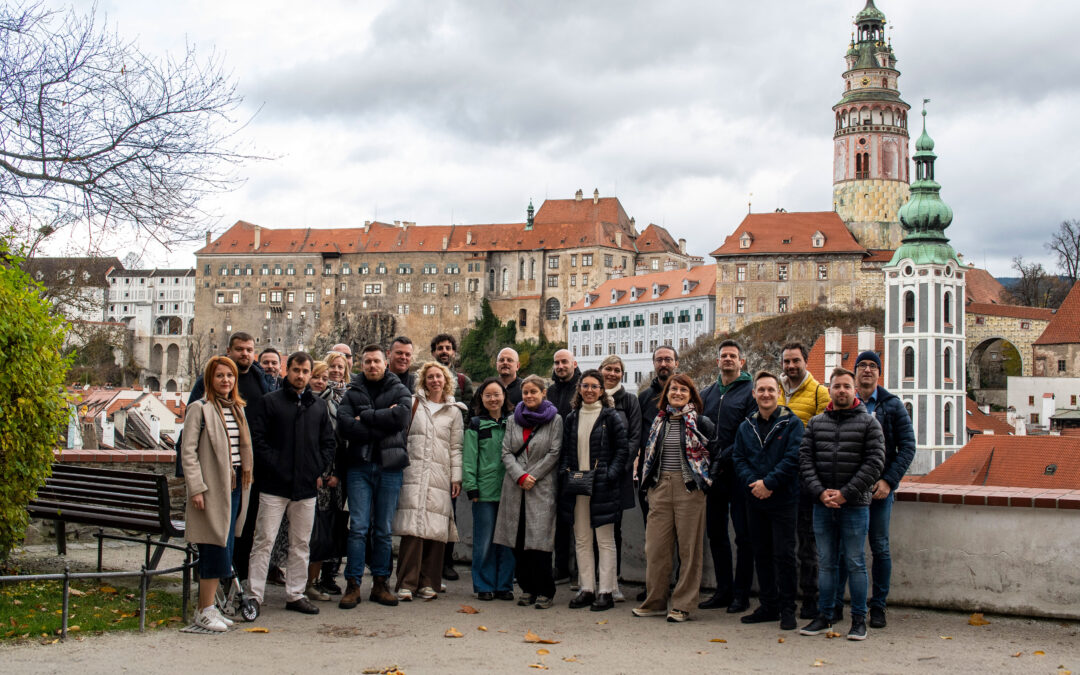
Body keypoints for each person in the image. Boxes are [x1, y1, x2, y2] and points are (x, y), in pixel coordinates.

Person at [798, 367, 885, 641]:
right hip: (822, 504)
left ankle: (859, 620)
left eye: (847, 386)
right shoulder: (816, 423)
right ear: (830, 389)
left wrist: (846, 492)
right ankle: (825, 615)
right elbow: (805, 461)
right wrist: (820, 492)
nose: (842, 391)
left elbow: (875, 463)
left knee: (856, 562)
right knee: (825, 563)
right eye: (837, 387)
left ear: (854, 390)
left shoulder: (869, 423)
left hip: (855, 504)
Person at [247, 352, 337, 616]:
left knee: (301, 543)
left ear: (310, 374)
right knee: (264, 540)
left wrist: (315, 468)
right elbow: (259, 440)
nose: (300, 375)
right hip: (275, 485)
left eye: (305, 371)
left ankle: (295, 593)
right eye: (296, 370)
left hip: (306, 486)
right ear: (288, 371)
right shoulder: (270, 402)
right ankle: (254, 594)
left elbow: (328, 443)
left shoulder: (317, 407)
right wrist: (277, 465)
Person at [832, 350, 916, 629]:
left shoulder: (892, 406)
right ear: (855, 373)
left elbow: (907, 447)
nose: (867, 370)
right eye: (862, 366)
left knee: (879, 547)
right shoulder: (844, 403)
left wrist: (889, 481)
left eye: (872, 366)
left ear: (879, 373)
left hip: (879, 490)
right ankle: (835, 605)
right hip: (849, 490)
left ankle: (878, 605)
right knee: (845, 550)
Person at [186, 332, 276, 583]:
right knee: (217, 533)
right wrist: (193, 482)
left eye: (249, 349)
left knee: (243, 529)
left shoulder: (259, 380)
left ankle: (238, 580)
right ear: (229, 350)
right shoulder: (206, 391)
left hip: (248, 470)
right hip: (216, 473)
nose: (244, 354)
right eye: (239, 349)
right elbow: (191, 437)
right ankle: (214, 586)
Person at [632, 373, 714, 623]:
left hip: (689, 487)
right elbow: (649, 453)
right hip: (661, 486)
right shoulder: (659, 421)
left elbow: (715, 453)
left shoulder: (701, 422)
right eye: (673, 389)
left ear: (692, 395)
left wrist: (705, 482)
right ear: (666, 393)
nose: (677, 393)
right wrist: (650, 486)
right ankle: (656, 600)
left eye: (683, 390)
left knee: (689, 550)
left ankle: (683, 604)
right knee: (656, 547)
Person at [336, 344, 413, 609]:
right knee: (357, 528)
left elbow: (401, 418)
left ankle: (381, 583)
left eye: (376, 362)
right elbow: (344, 425)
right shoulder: (353, 390)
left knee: (383, 530)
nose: (372, 366)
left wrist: (366, 417)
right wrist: (381, 424)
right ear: (361, 364)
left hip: (389, 466)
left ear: (385, 363)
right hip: (359, 465)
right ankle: (353, 584)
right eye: (367, 362)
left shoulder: (399, 389)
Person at [181, 355, 253, 632]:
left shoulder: (237, 409)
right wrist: (196, 488)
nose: (226, 380)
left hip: (235, 485)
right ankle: (205, 610)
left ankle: (208, 607)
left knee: (226, 547)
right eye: (220, 375)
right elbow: (188, 452)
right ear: (210, 379)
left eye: (230, 376)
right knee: (214, 548)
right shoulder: (200, 409)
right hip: (211, 487)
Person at [732, 370, 804, 631]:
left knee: (784, 554)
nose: (765, 394)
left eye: (770, 390)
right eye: (761, 390)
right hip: (755, 498)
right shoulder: (746, 425)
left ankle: (787, 608)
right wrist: (755, 484)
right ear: (754, 394)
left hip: (783, 498)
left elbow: (793, 458)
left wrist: (769, 483)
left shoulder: (792, 423)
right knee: (760, 552)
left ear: (778, 393)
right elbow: (738, 459)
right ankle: (768, 605)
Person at [393, 362, 466, 601]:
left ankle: (429, 582)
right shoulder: (413, 403)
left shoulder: (454, 411)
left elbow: (456, 447)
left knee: (436, 530)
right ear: (424, 380)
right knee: (412, 527)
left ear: (446, 380)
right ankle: (406, 582)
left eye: (439, 376)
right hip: (413, 471)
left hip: (440, 474)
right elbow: (403, 436)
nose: (435, 380)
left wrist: (456, 477)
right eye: (431, 377)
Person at [558, 369, 628, 612]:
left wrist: (610, 475)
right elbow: (566, 450)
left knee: (605, 540)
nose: (589, 390)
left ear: (601, 391)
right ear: (579, 389)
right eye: (585, 386)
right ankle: (586, 588)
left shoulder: (611, 417)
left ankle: (606, 591)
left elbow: (622, 450)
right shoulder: (572, 417)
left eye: (594, 386)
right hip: (577, 485)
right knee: (582, 538)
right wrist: (565, 472)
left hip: (602, 486)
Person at [493, 375, 563, 609]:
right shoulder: (513, 420)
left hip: (540, 487)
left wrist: (532, 475)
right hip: (515, 486)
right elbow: (506, 452)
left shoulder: (555, 420)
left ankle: (545, 590)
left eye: (534, 391)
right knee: (518, 539)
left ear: (544, 393)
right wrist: (520, 475)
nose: (529, 396)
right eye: (526, 392)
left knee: (540, 541)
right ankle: (527, 587)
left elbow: (554, 453)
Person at [699, 339, 756, 613]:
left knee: (744, 535)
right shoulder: (708, 393)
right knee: (716, 533)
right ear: (718, 361)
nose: (728, 359)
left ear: (741, 362)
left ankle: (742, 593)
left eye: (733, 356)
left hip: (739, 473)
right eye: (724, 356)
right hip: (714, 474)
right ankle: (723, 589)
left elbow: (750, 432)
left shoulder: (750, 393)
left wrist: (726, 456)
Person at [778, 341, 831, 619]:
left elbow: (822, 436)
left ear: (805, 362)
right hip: (780, 478)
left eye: (795, 361)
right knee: (783, 543)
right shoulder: (776, 392)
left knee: (808, 543)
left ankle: (811, 598)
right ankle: (781, 598)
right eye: (786, 362)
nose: (791, 366)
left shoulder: (820, 393)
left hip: (806, 477)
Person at [633, 345, 678, 602]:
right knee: (653, 535)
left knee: (682, 537)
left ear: (676, 363)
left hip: (679, 475)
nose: (664, 364)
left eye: (668, 359)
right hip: (650, 476)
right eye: (659, 359)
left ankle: (679, 585)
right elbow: (639, 435)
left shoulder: (686, 392)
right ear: (654, 363)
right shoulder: (643, 398)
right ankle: (655, 585)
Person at [463, 378, 515, 601]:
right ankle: (484, 584)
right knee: (484, 540)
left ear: (504, 397)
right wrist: (471, 486)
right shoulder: (476, 424)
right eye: (488, 395)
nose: (493, 399)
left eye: (497, 394)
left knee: (507, 541)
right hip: (484, 490)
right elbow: (469, 457)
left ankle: (504, 584)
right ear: (481, 399)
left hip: (509, 489)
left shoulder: (513, 422)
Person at [598, 354, 641, 602]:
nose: (612, 373)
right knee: (591, 529)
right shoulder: (592, 395)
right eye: (608, 369)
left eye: (616, 370)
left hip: (618, 475)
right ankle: (595, 579)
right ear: (601, 370)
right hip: (594, 474)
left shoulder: (630, 400)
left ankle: (613, 581)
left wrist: (619, 468)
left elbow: (634, 438)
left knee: (614, 530)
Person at [431, 332, 473, 580]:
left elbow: (467, 418)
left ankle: (446, 562)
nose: (444, 352)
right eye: (439, 348)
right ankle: (429, 561)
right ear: (433, 352)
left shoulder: (462, 381)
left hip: (450, 453)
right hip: (427, 452)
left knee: (450, 512)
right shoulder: (423, 379)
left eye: (448, 348)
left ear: (454, 352)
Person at [315, 350, 350, 595]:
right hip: (319, 469)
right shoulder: (315, 398)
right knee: (317, 525)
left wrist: (338, 470)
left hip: (340, 468)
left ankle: (329, 575)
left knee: (336, 525)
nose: (337, 371)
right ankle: (310, 579)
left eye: (340, 367)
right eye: (332, 368)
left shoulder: (347, 398)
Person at [546, 348, 580, 585]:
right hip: (555, 460)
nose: (560, 366)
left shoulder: (582, 386)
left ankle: (579, 569)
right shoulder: (551, 390)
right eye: (557, 363)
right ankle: (560, 567)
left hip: (577, 459)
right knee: (559, 517)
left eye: (564, 362)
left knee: (577, 517)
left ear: (573, 363)